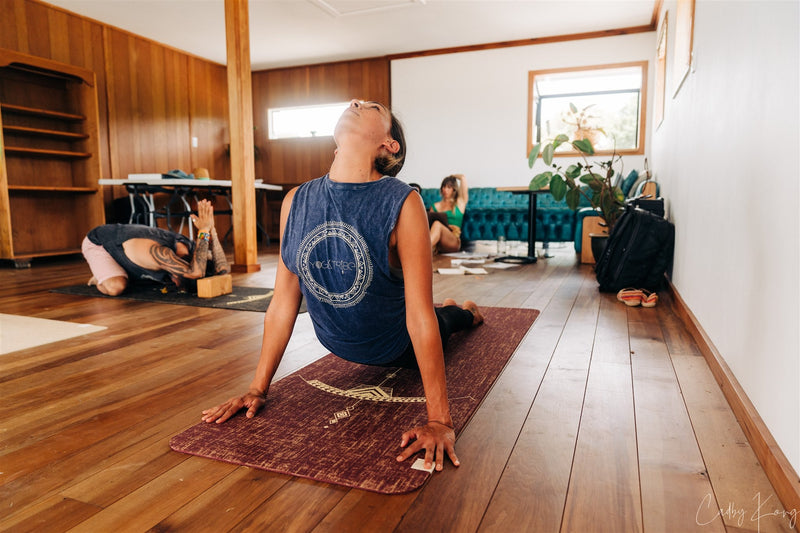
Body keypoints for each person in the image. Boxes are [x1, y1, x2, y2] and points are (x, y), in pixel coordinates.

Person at [201, 99, 483, 472]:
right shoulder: (295, 201)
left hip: (398, 345)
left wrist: (440, 421)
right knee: (434, 313)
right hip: (335, 341)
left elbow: (417, 315)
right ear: (336, 146)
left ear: (389, 144)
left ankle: (464, 311)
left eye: (371, 106)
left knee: (448, 319)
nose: (355, 102)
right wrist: (257, 388)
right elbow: (283, 302)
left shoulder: (402, 202)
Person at [81, 199, 229, 296]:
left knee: (151, 276)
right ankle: (99, 277)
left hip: (132, 252)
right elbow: (195, 272)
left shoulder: (188, 250)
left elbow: (223, 270)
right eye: (179, 283)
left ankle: (120, 270)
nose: (176, 285)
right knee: (116, 287)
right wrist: (203, 231)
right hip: (100, 243)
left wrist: (211, 230)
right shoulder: (160, 252)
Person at [430, 174, 468, 253]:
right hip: (437, 242)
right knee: (435, 225)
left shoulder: (460, 203)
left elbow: (462, 178)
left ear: (454, 189)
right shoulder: (435, 206)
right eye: (443, 187)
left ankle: (421, 252)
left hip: (453, 240)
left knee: (437, 224)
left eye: (448, 187)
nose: (445, 190)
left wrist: (453, 176)